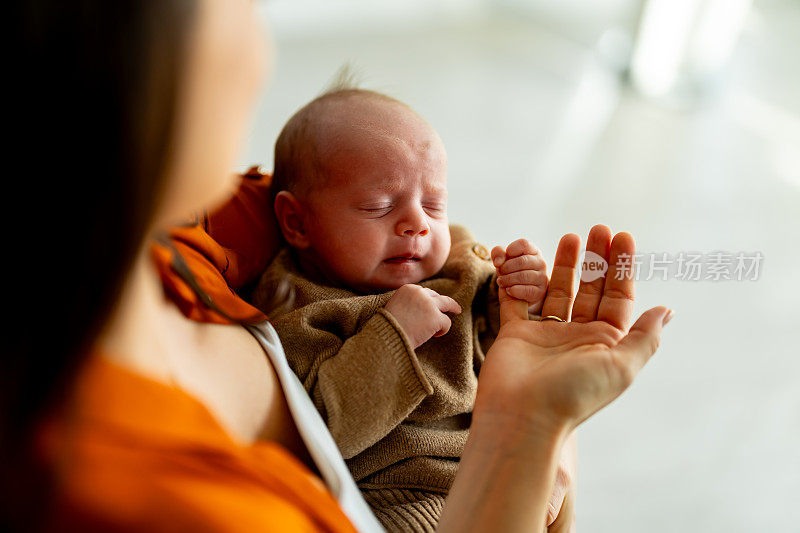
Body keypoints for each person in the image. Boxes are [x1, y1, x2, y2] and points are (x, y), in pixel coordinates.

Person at [2, 1, 673, 532]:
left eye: (433, 205)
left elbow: (492, 318)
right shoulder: (300, 303)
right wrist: (525, 437)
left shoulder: (226, 220)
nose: (262, 50)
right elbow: (335, 413)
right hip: (413, 502)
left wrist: (514, 306)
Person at [253, 86, 550, 531]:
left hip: (497, 469)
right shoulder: (297, 301)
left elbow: (504, 341)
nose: (417, 223)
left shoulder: (458, 264)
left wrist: (519, 294)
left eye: (434, 204)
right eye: (379, 205)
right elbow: (323, 430)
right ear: (297, 222)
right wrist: (393, 335)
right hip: (400, 501)